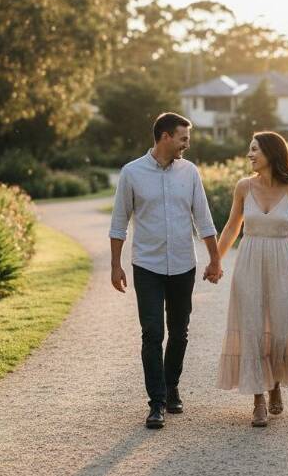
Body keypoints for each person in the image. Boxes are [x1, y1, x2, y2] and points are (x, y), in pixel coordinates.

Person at [108, 112, 223, 429]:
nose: (187, 144)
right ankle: (156, 403)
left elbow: (203, 219)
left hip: (183, 264)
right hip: (147, 265)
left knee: (179, 331)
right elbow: (119, 223)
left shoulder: (190, 172)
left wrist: (215, 259)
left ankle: (171, 386)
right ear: (165, 137)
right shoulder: (132, 173)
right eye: (183, 138)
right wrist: (116, 265)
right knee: (152, 333)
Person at [215, 131, 288, 427]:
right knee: (252, 329)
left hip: (282, 262)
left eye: (254, 150)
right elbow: (232, 227)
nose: (249, 155)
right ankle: (258, 400)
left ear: (272, 154)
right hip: (249, 261)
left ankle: (275, 385)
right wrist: (215, 260)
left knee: (280, 331)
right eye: (249, 149)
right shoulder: (243, 186)